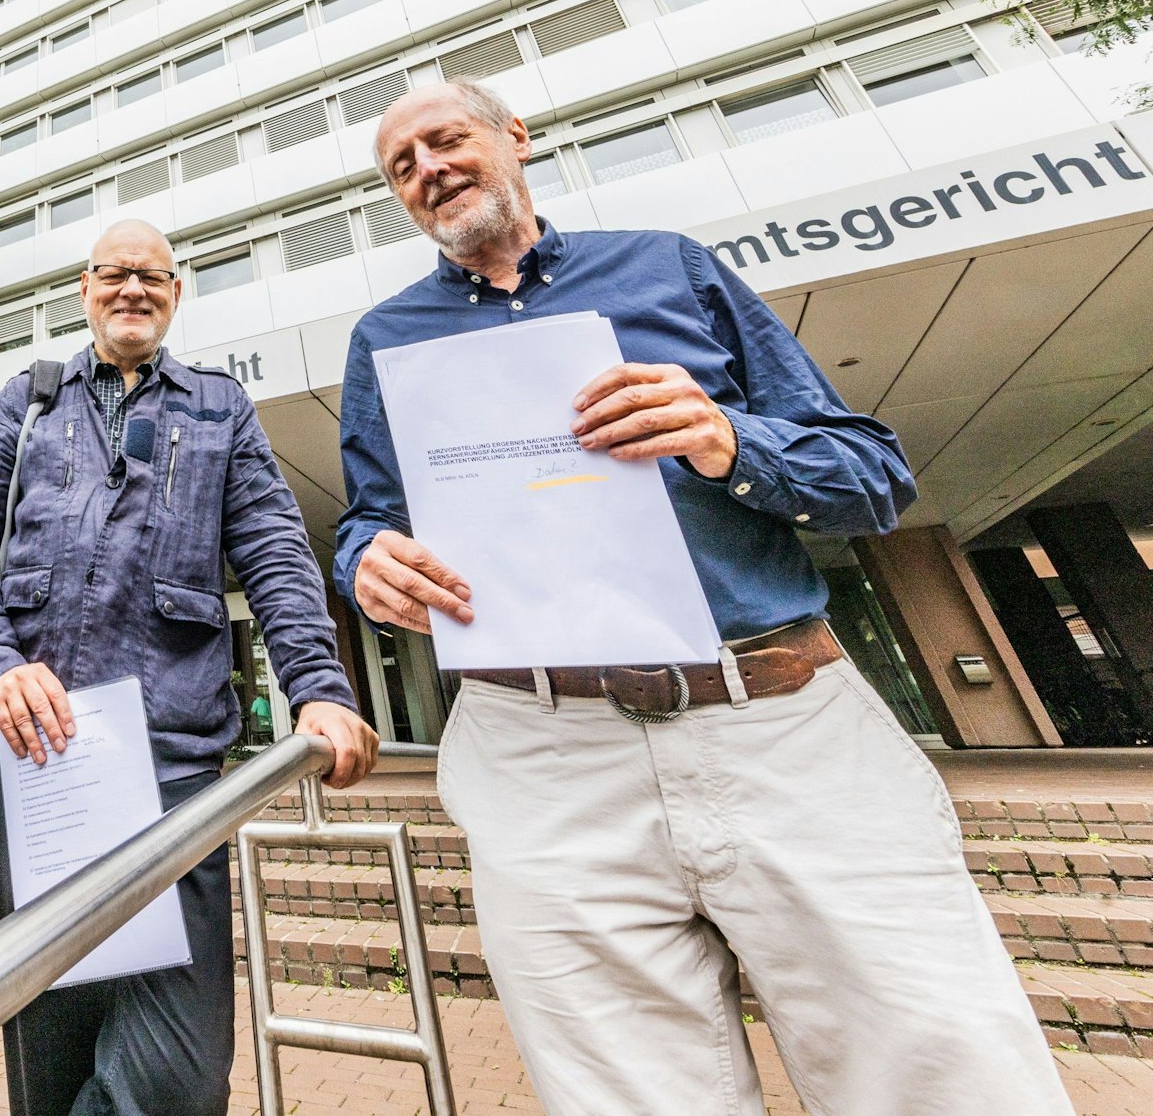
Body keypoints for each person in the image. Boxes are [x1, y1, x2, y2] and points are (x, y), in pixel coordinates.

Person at [336, 81, 1072, 1115]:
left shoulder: (666, 266)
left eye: (443, 139)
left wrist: (728, 442)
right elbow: (366, 521)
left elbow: (868, 474)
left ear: (514, 137)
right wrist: (367, 568)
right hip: (539, 753)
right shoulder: (384, 336)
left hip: (776, 722)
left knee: (939, 1065)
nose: (426, 170)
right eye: (398, 166)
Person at [0, 219, 378, 1116]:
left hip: (169, 765)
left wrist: (319, 687)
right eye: (114, 274)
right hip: (34, 764)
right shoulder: (26, 402)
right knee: (50, 1050)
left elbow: (278, 559)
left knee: (176, 1072)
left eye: (153, 276)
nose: (132, 288)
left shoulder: (218, 407)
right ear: (85, 289)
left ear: (176, 295)